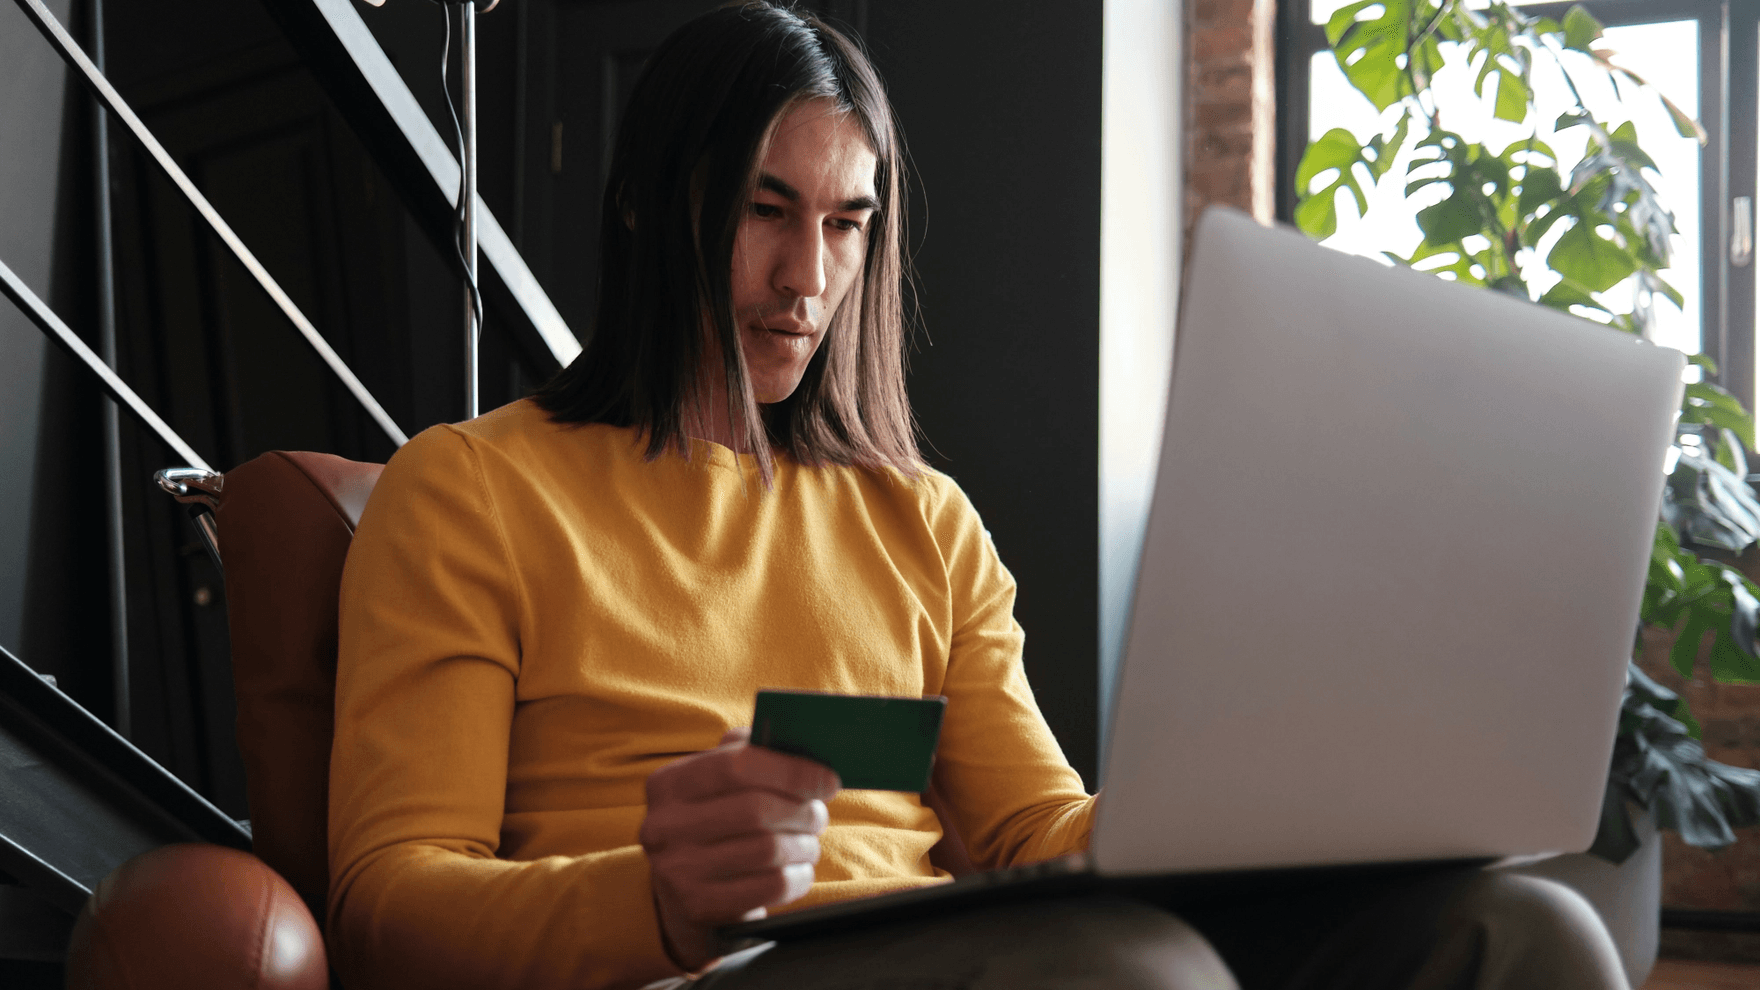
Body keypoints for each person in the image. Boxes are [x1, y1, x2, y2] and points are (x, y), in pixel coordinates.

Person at [324, 4, 1630, 989]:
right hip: (696, 964)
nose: (808, 278)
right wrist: (653, 899)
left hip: (948, 944)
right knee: (1133, 970)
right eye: (766, 210)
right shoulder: (476, 488)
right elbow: (389, 892)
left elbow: (1034, 824)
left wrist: (1277, 799)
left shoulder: (919, 520)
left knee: (1523, 933)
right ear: (645, 209)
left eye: (848, 223)